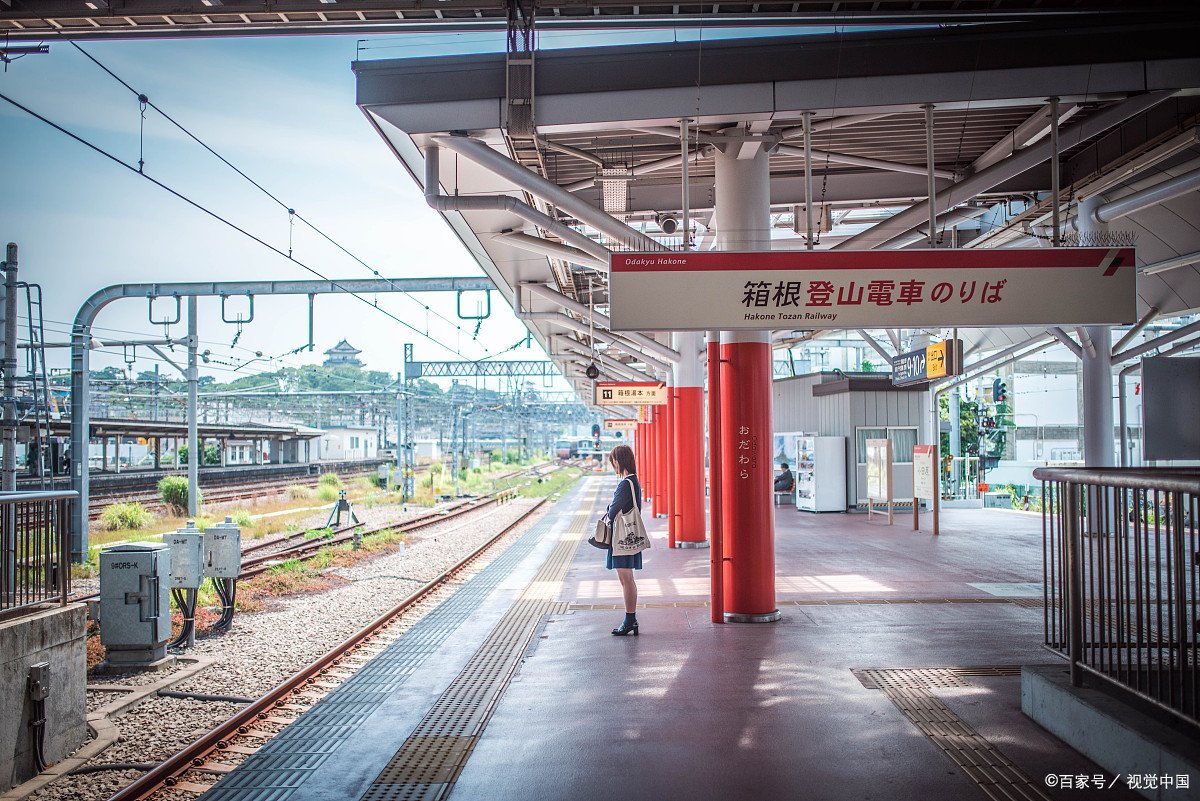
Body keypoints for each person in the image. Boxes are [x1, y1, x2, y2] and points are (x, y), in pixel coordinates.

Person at [602, 444, 643, 636]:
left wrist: (610, 509)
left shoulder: (625, 483)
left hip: (623, 538)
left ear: (619, 461)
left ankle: (630, 620)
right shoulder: (634, 481)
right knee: (628, 578)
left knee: (625, 579)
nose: (613, 465)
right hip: (629, 536)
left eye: (614, 462)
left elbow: (613, 511)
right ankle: (630, 619)